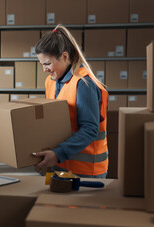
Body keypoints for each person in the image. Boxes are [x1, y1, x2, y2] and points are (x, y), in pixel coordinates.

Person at [33, 24, 109, 178]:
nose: (44, 69)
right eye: (41, 64)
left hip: (85, 170)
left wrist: (58, 153)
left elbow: (89, 129)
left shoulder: (83, 84)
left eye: (47, 63)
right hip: (58, 163)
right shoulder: (51, 81)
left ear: (65, 56)